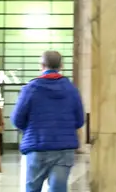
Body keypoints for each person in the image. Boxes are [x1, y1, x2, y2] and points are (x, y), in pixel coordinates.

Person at [11, 50, 85, 192]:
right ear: (61, 66)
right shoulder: (72, 90)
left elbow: (17, 119)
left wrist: (31, 129)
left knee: (32, 188)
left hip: (37, 147)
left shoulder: (30, 89)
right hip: (64, 149)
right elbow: (80, 120)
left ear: (41, 66)